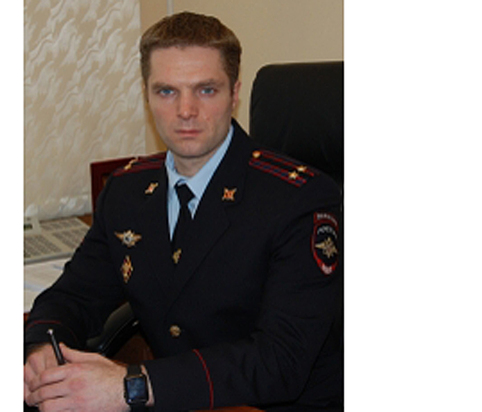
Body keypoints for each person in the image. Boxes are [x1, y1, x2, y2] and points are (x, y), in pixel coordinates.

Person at [24, 11, 343, 412]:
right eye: (166, 91)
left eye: (206, 90)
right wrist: (41, 348)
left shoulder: (299, 200)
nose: (186, 110)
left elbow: (279, 361)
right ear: (147, 95)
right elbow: (74, 295)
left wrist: (132, 386)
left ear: (234, 94)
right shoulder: (127, 191)